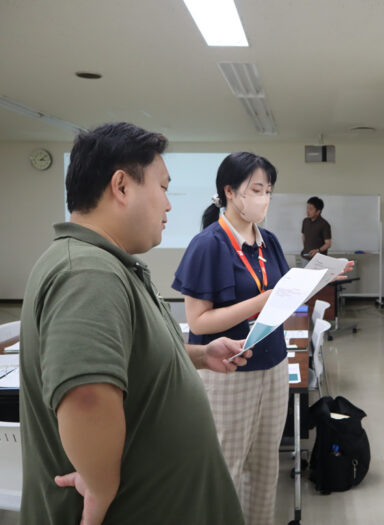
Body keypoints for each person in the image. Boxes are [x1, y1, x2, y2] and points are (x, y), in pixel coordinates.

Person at [19, 122, 251, 525]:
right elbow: (87, 395)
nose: (169, 205)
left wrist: (199, 355)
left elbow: (130, 354)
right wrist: (101, 485)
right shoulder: (87, 272)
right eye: (163, 187)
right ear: (122, 186)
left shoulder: (105, 265)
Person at [172, 152, 290, 525]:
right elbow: (199, 321)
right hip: (229, 371)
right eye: (256, 190)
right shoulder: (208, 244)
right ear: (230, 192)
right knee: (226, 466)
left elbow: (281, 293)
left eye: (268, 190)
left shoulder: (268, 241)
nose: (264, 198)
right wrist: (262, 300)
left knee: (265, 466)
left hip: (274, 364)